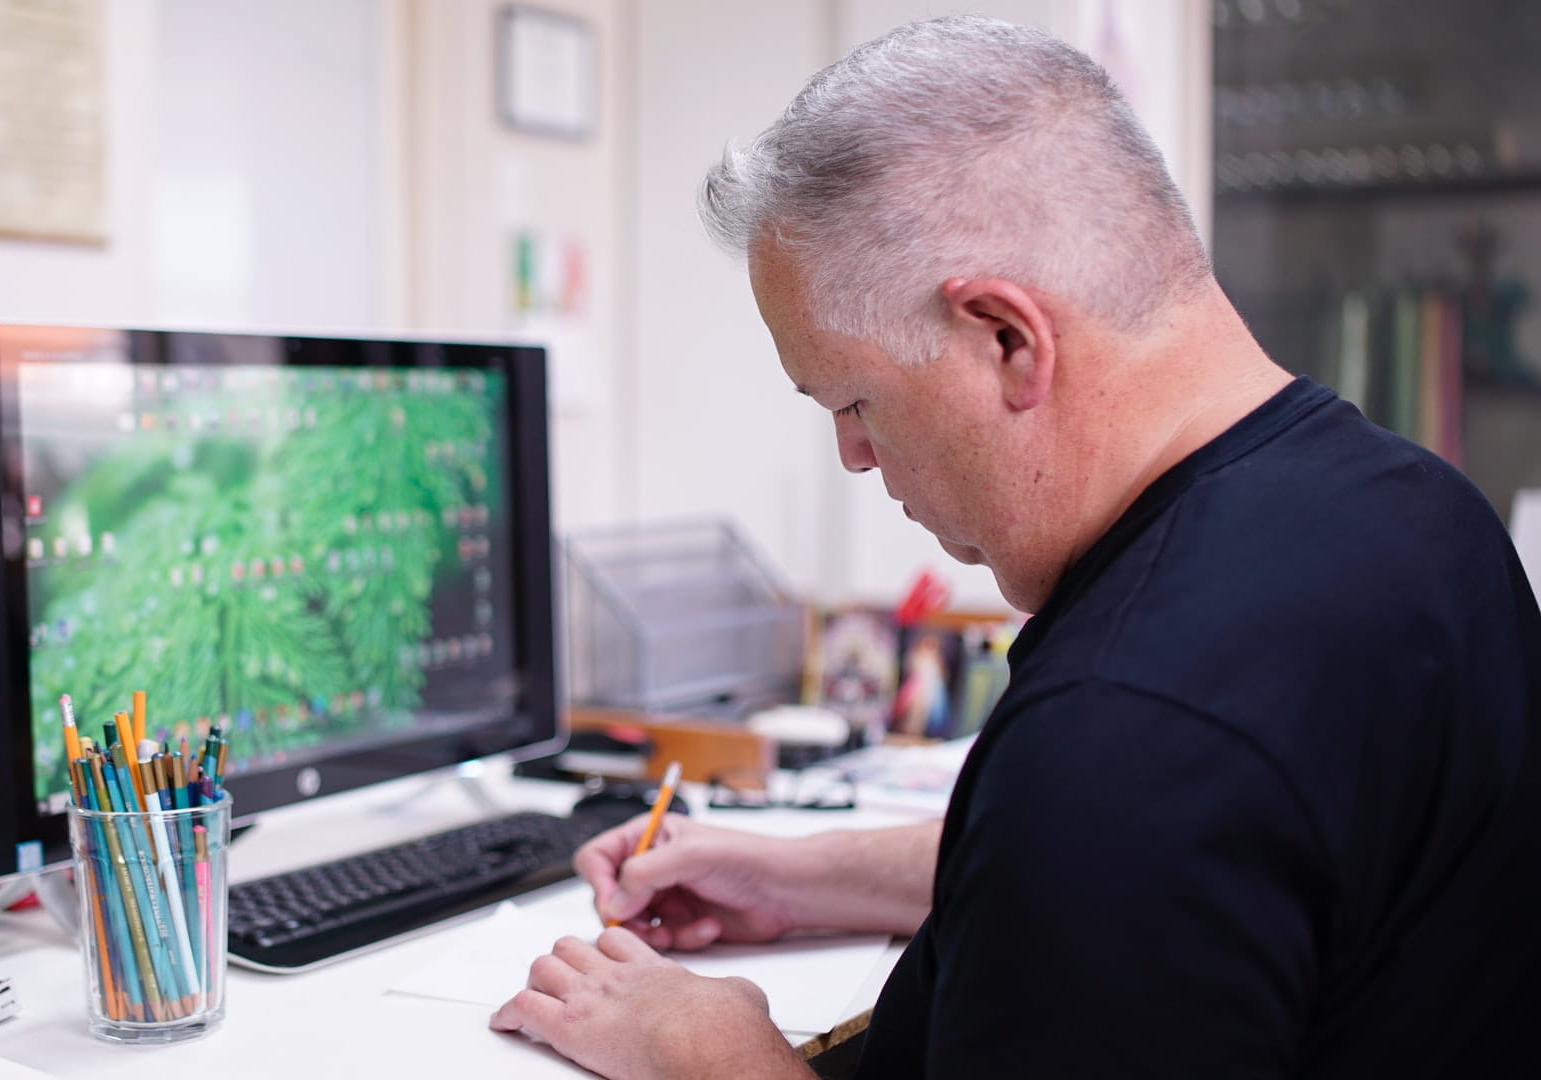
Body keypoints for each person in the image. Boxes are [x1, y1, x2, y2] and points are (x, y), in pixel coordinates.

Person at [489, 15, 1541, 1079]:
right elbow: (1176, 877)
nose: (854, 455)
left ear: (1005, 339)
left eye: (853, 401)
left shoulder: (1125, 730)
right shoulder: (1419, 513)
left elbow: (1112, 827)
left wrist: (708, 1051)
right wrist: (802, 875)